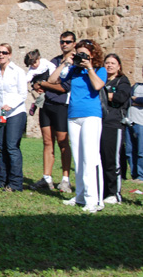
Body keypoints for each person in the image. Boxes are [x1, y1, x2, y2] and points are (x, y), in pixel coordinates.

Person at [48, 39, 106, 213]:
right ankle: (80, 196)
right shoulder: (73, 70)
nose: (82, 57)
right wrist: (65, 62)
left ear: (93, 54)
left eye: (85, 54)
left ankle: (93, 200)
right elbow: (52, 79)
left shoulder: (99, 70)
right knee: (78, 158)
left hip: (91, 115)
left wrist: (88, 67)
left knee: (90, 158)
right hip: (73, 116)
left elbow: (97, 85)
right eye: (79, 53)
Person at [30, 32, 75, 193]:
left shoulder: (75, 64)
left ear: (74, 44)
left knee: (63, 142)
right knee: (47, 142)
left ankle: (65, 179)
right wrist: (37, 84)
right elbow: (40, 78)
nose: (64, 44)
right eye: (62, 41)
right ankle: (47, 178)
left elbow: (64, 87)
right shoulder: (55, 61)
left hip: (62, 105)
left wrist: (46, 84)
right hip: (47, 105)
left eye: (68, 42)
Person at [0, 43, 28, 192]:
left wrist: (10, 104)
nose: (1, 55)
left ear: (10, 54)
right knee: (2, 147)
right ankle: (2, 180)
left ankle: (16, 183)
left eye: (4, 52)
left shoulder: (17, 71)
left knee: (12, 147)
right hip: (1, 114)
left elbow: (23, 93)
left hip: (16, 113)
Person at [100, 53, 131, 204]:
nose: (109, 65)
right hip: (99, 122)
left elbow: (120, 97)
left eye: (113, 63)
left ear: (119, 66)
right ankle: (102, 190)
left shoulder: (122, 81)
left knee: (112, 159)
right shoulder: (101, 80)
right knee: (100, 158)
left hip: (114, 123)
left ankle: (114, 193)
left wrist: (104, 95)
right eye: (107, 63)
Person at [126, 62, 143, 184]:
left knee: (142, 151)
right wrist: (135, 100)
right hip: (130, 121)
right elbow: (127, 99)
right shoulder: (136, 86)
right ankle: (134, 175)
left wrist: (135, 99)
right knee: (129, 149)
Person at [24, 49, 56, 116]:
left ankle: (36, 105)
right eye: (31, 64)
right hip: (38, 85)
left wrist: (51, 77)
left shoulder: (44, 62)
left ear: (38, 58)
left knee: (43, 96)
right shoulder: (32, 70)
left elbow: (52, 67)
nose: (34, 65)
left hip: (47, 81)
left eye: (35, 62)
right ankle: (35, 105)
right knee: (38, 95)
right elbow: (28, 77)